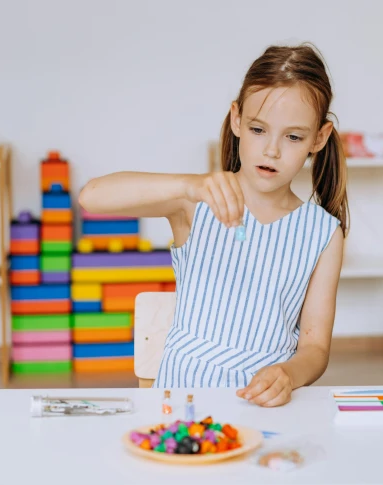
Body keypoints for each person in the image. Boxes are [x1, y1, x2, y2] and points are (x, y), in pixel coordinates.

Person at [79, 43, 348, 407]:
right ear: (236, 120)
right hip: (182, 401)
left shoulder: (323, 234)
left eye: (293, 136)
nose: (271, 150)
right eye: (258, 129)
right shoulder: (194, 202)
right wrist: (188, 185)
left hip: (265, 408)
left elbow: (315, 348)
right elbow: (91, 196)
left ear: (319, 138)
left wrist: (289, 374)